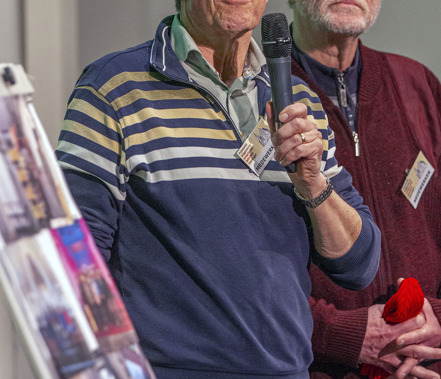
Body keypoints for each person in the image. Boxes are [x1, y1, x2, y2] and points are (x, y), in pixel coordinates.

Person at [55, 1, 384, 378]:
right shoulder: (113, 88)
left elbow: (358, 264)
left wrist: (312, 183)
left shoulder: (298, 100)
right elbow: (71, 261)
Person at [288, 0, 441, 378]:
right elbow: (241, 273)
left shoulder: (417, 86)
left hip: (428, 368)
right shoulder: (256, 98)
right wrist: (344, 336)